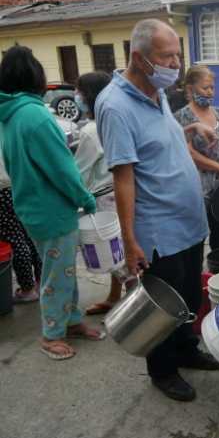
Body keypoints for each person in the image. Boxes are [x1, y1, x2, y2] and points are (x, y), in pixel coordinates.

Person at [96, 19, 219, 402]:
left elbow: (157, 143)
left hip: (188, 222)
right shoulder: (115, 106)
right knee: (163, 306)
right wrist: (130, 240)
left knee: (187, 295)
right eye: (166, 56)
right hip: (158, 230)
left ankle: (186, 350)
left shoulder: (157, 91)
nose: (175, 64)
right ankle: (163, 370)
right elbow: (124, 177)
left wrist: (189, 132)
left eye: (178, 55)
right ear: (139, 58)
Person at [0, 46, 105, 360]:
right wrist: (84, 198)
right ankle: (51, 334)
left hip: (33, 206)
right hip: (51, 209)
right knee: (56, 274)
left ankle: (71, 321)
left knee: (62, 270)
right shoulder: (35, 116)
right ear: (35, 76)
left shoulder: (12, 114)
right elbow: (62, 168)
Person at [74, 71, 134, 315]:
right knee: (118, 253)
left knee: (115, 257)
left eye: (79, 91)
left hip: (104, 199)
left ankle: (134, 308)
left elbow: (78, 172)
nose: (76, 96)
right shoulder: (120, 118)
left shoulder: (90, 130)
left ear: (89, 96)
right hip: (124, 193)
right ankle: (113, 297)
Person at [174, 65, 219, 251]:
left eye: (212, 88)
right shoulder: (182, 116)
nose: (210, 92)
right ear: (190, 89)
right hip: (199, 190)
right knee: (197, 239)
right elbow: (189, 153)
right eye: (205, 88)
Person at [0, 155, 41, 303]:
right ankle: (40, 281)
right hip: (14, 186)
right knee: (26, 235)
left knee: (14, 240)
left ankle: (28, 289)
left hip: (2, 190)